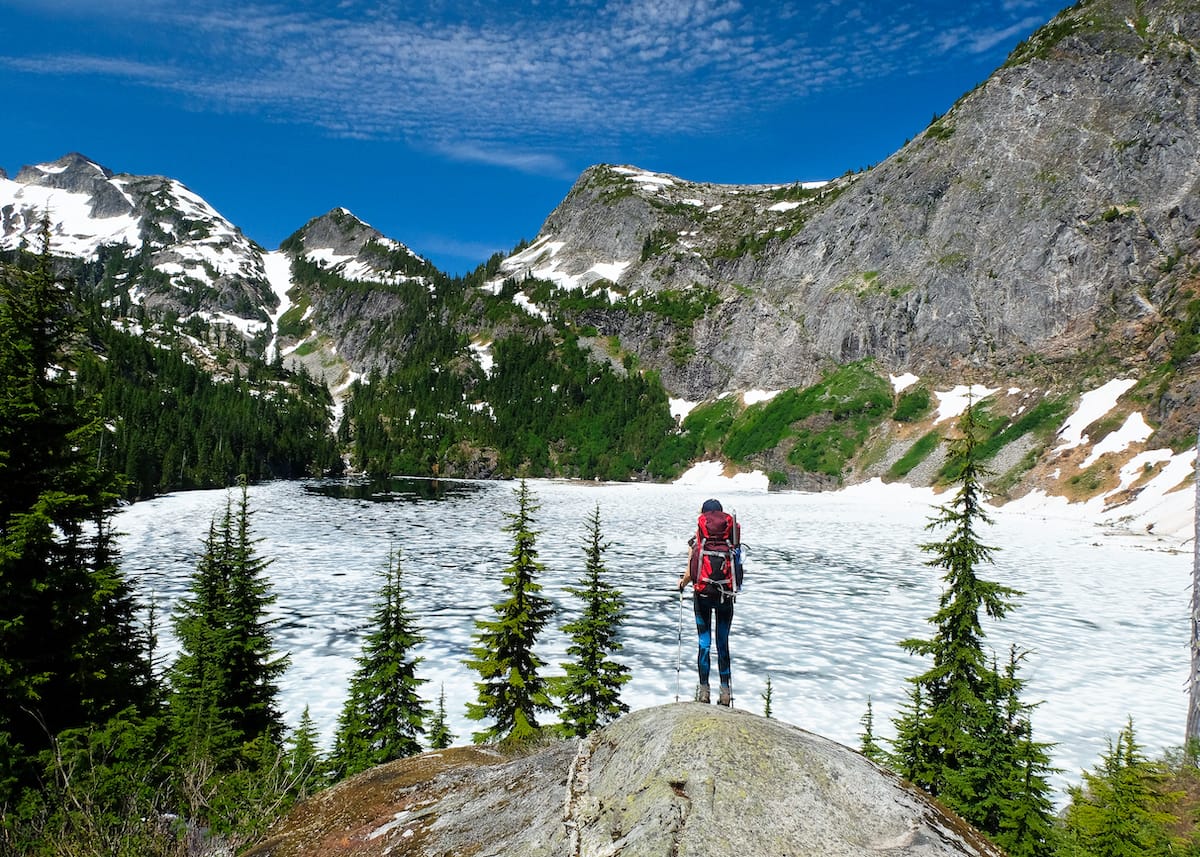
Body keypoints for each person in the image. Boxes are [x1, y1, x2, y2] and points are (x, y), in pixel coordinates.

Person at [677, 498, 742, 706]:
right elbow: (739, 568)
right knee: (722, 642)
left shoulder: (697, 542)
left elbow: (690, 572)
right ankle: (725, 691)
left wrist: (682, 583)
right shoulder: (732, 543)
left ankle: (704, 691)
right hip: (725, 596)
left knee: (704, 643)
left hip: (702, 595)